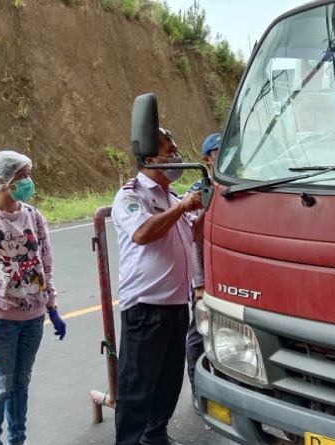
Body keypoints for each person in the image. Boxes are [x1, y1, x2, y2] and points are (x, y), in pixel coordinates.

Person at [112, 127, 204, 445]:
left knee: (168, 381)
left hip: (177, 304)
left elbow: (193, 233)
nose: (177, 155)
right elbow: (142, 234)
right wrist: (181, 208)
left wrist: (203, 207)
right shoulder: (131, 195)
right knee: (137, 387)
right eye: (170, 150)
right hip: (146, 305)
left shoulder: (170, 196)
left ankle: (155, 436)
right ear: (150, 157)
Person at [0, 150, 66, 445]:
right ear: (2, 180)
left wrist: (51, 305)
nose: (28, 182)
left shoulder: (33, 216)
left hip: (33, 316)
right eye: (21, 176)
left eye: (28, 175)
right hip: (0, 320)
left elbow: (45, 261)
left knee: (21, 384)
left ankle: (17, 439)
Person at [185, 132, 220, 414]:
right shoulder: (199, 191)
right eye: (219, 153)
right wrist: (198, 282)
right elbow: (193, 239)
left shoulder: (236, 186)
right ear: (207, 159)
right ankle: (198, 390)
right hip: (204, 278)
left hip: (230, 277)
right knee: (199, 333)